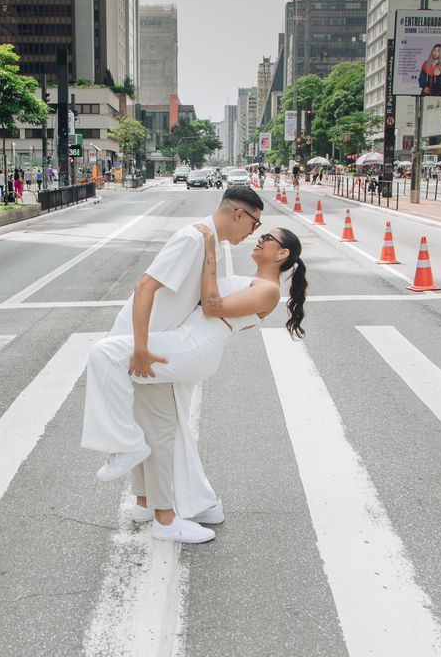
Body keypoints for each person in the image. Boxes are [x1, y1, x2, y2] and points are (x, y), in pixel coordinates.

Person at [83, 222, 307, 544]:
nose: (259, 240)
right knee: (161, 422)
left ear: (282, 253)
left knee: (104, 354)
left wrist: (211, 251)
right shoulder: (253, 281)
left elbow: (213, 305)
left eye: (267, 239)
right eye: (259, 235)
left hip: (196, 346)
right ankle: (176, 501)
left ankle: (126, 443)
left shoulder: (269, 291)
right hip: (187, 341)